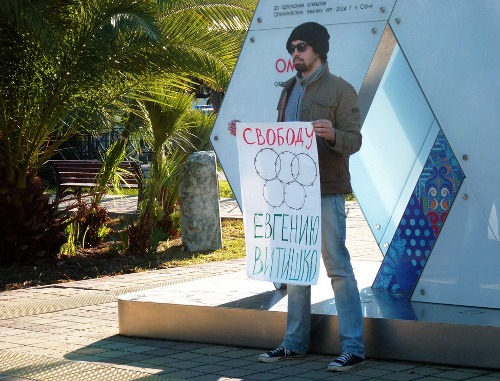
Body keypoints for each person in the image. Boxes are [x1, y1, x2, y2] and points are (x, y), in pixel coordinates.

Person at [228, 21, 365, 372]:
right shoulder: (288, 89)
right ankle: (294, 344)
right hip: (291, 197)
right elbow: (280, 140)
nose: (294, 53)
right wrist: (245, 134)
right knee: (296, 267)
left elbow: (355, 140)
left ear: (318, 49)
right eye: (291, 48)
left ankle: (354, 348)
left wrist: (333, 134)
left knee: (338, 267)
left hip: (326, 191)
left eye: (301, 47)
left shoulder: (341, 90)